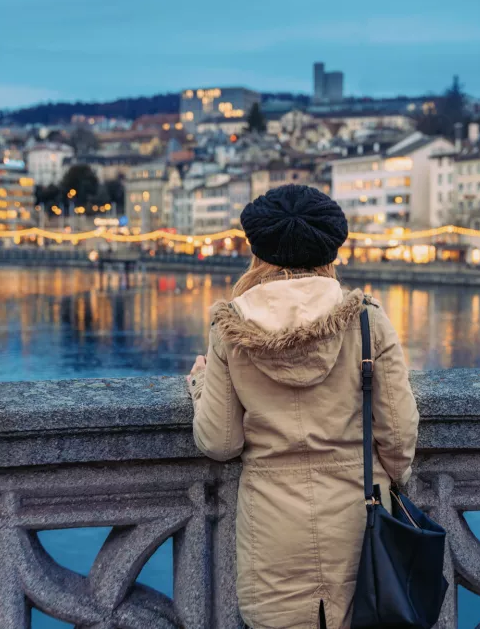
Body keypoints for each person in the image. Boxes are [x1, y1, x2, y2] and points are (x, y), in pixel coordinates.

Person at [186, 184, 419, 629]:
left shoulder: (229, 329)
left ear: (258, 253)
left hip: (273, 535)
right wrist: (396, 478)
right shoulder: (368, 321)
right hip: (360, 526)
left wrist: (200, 384)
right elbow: (398, 436)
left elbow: (219, 441)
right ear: (330, 252)